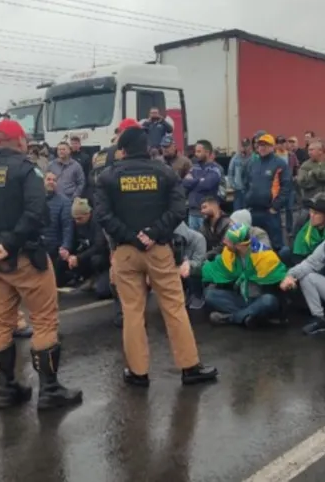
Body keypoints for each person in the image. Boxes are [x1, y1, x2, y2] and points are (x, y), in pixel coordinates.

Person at [0, 119, 83, 411]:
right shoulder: (28, 170)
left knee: (0, 325)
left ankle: (7, 390)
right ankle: (49, 390)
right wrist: (11, 243)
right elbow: (37, 211)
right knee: (44, 321)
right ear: (18, 142)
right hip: (26, 258)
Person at [93, 124, 217, 387]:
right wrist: (153, 233)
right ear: (148, 147)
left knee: (133, 312)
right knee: (174, 307)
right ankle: (189, 367)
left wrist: (130, 235)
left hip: (126, 251)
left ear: (123, 150)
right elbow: (179, 209)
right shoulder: (164, 172)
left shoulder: (108, 176)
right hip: (159, 248)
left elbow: (103, 215)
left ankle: (138, 372)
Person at [202, 222, 286, 327]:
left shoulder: (263, 255)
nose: (224, 242)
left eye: (229, 241)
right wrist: (190, 268)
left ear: (238, 245)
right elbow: (211, 268)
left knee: (269, 300)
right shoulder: (229, 253)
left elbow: (280, 276)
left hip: (259, 299)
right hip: (241, 298)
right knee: (210, 295)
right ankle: (248, 316)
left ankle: (230, 318)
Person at [244, 134, 291, 249]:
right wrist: (247, 199)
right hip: (253, 211)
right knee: (254, 243)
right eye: (260, 145)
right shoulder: (253, 163)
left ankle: (277, 265)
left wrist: (275, 207)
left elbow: (286, 187)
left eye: (266, 145)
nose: (262, 148)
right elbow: (247, 183)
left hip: (270, 212)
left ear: (272, 147)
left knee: (275, 245)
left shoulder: (280, 164)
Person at [65, 198, 112, 299]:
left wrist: (79, 258)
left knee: (103, 292)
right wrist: (67, 250)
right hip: (90, 254)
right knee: (69, 259)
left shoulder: (98, 222)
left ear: (88, 214)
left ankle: (104, 279)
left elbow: (99, 246)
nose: (77, 221)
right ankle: (90, 277)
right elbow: (72, 240)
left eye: (79, 218)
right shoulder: (77, 223)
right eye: (75, 218)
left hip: (106, 259)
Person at [282, 193, 325, 266]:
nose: (312, 216)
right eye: (311, 211)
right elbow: (297, 253)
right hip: (307, 261)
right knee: (284, 252)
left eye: (316, 213)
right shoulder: (305, 225)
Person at [181, 140, 222, 230]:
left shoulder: (215, 169)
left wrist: (193, 181)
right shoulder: (195, 167)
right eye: (195, 151)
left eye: (199, 151)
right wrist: (199, 180)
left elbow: (207, 185)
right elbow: (185, 183)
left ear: (207, 152)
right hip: (192, 213)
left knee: (207, 241)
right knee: (193, 242)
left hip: (206, 214)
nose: (196, 154)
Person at [43, 171, 73, 286]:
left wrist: (65, 246)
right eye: (48, 179)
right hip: (38, 246)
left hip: (55, 248)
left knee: (56, 282)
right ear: (43, 182)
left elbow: (67, 227)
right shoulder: (36, 200)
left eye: (54, 180)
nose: (51, 182)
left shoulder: (64, 202)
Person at [296, 139, 325, 205]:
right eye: (308, 150)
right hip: (311, 201)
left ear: (320, 151)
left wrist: (315, 173)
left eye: (312, 150)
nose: (309, 152)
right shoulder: (305, 165)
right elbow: (302, 181)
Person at [173, 222, 207, 309]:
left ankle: (197, 295)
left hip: (194, 268)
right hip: (178, 267)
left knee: (195, 269)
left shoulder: (199, 238)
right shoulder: (171, 241)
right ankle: (181, 293)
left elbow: (199, 261)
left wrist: (187, 263)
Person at [199, 196, 232, 260]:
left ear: (215, 206)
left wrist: (206, 256)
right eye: (201, 209)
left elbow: (224, 246)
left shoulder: (228, 223)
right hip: (209, 260)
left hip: (225, 259)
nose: (202, 211)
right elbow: (200, 240)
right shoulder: (205, 225)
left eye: (204, 207)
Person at [227, 139, 254, 209]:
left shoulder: (254, 158)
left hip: (250, 190)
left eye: (246, 146)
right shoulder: (235, 158)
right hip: (238, 190)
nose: (244, 148)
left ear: (250, 146)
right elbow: (230, 172)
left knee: (248, 213)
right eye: (243, 146)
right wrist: (233, 185)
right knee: (237, 212)